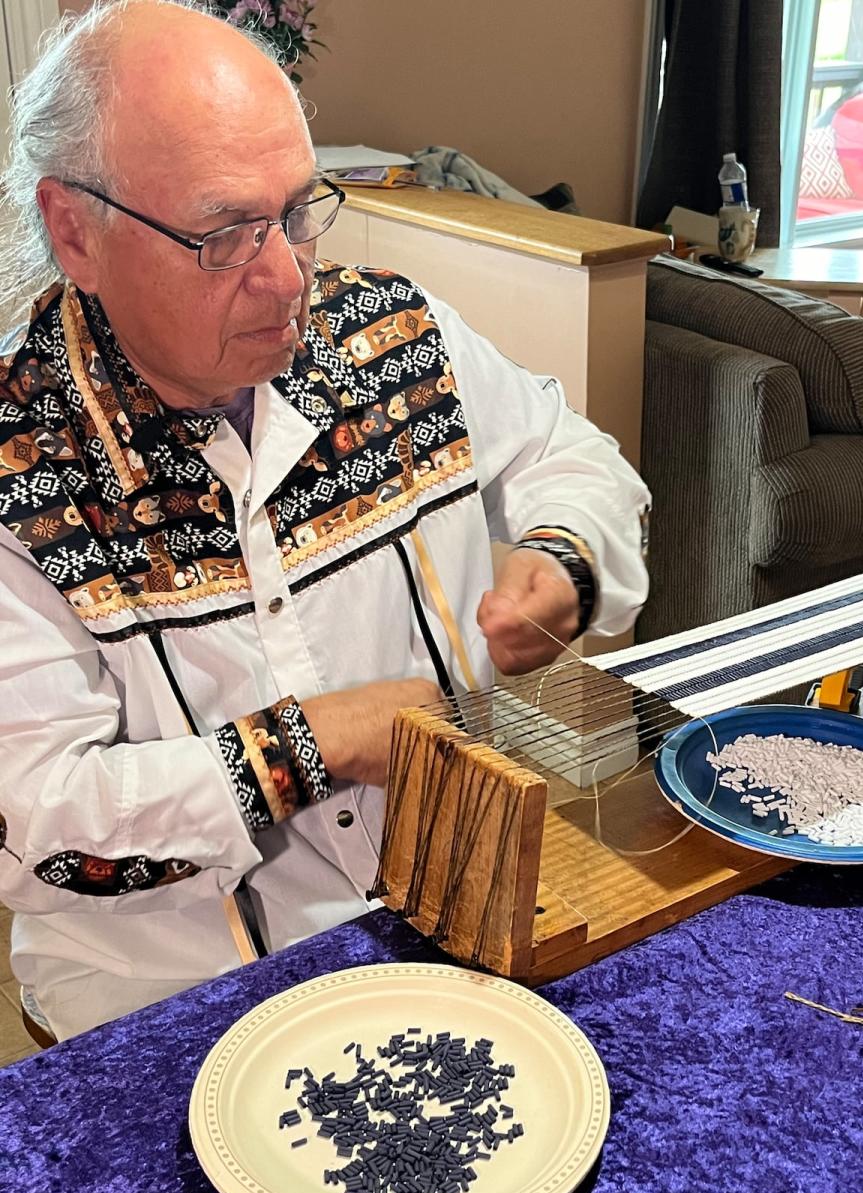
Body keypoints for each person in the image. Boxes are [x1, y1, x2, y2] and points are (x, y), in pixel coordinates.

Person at [0, 0, 650, 1040]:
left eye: (300, 209)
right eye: (223, 234)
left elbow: (564, 449)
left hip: (449, 905)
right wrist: (318, 742)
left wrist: (564, 554)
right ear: (76, 229)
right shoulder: (17, 468)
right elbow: (40, 819)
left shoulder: (391, 331)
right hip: (163, 1001)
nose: (288, 274)